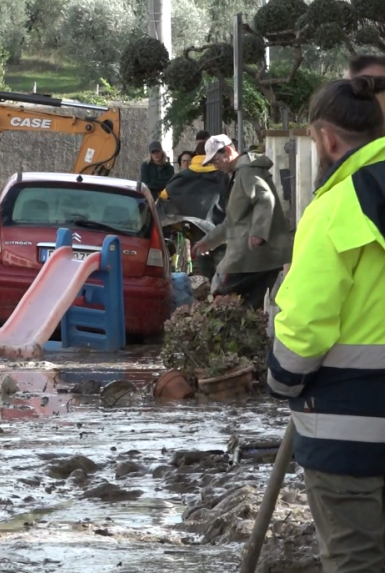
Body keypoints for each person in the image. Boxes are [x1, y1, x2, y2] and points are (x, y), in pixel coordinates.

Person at [267, 75, 385, 573]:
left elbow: (307, 325)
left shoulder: (336, 207)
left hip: (350, 430)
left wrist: (281, 379)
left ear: (326, 139)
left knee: (356, 558)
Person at [191, 134, 291, 309]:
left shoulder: (246, 171)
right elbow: (232, 221)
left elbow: (265, 198)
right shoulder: (239, 173)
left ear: (228, 151)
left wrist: (258, 233)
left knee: (223, 299)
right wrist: (209, 241)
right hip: (257, 258)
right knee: (248, 307)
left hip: (250, 258)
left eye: (216, 161)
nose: (216, 166)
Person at [158, 140, 231, 280]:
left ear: (196, 154)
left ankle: (204, 293)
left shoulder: (186, 175)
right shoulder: (223, 175)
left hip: (197, 231)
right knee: (223, 273)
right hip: (221, 230)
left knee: (202, 270)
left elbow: (164, 195)